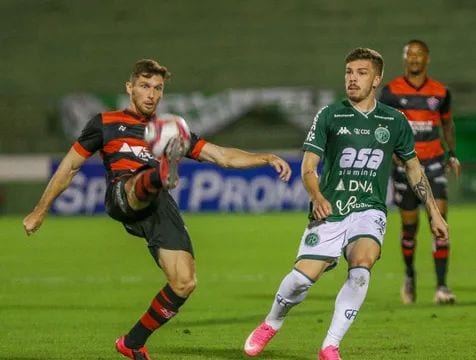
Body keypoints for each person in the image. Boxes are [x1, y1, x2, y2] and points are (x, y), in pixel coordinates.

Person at [22, 59, 292, 360]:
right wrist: (40, 210)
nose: (151, 94)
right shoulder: (105, 123)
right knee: (140, 183)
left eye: (157, 88)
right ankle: (159, 173)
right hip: (123, 193)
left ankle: (133, 342)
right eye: (145, 86)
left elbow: (223, 156)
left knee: (184, 282)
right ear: (130, 87)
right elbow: (70, 167)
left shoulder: (168, 129)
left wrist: (265, 157)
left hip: (159, 206)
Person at [243, 48, 448, 360]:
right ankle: (272, 322)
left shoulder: (394, 121)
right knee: (300, 280)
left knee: (362, 267)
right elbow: (308, 167)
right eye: (349, 72)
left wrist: (434, 212)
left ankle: (330, 346)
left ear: (377, 78)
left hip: (369, 209)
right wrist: (318, 197)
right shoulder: (329, 115)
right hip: (332, 208)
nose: (352, 78)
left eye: (361, 72)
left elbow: (414, 168)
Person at [378, 39, 460, 305]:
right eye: (409, 55)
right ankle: (410, 275)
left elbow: (447, 125)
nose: (414, 59)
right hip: (404, 167)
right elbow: (384, 130)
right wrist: (392, 156)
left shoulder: (440, 92)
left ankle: (442, 287)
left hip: (434, 163)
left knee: (440, 222)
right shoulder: (390, 92)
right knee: (409, 228)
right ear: (404, 59)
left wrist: (452, 154)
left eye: (419, 54)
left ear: (427, 58)